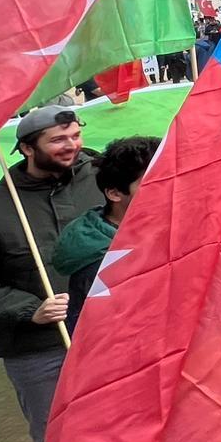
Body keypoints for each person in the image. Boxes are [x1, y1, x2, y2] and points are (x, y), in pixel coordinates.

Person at [0, 105, 103, 442]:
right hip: (41, 350)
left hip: (114, 334)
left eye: (76, 135)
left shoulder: (104, 178)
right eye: (58, 140)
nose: (72, 145)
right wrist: (31, 310)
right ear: (28, 149)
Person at [53, 136, 161, 334]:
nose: (165, 188)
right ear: (114, 193)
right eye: (150, 183)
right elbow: (96, 334)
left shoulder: (182, 230)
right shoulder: (98, 260)